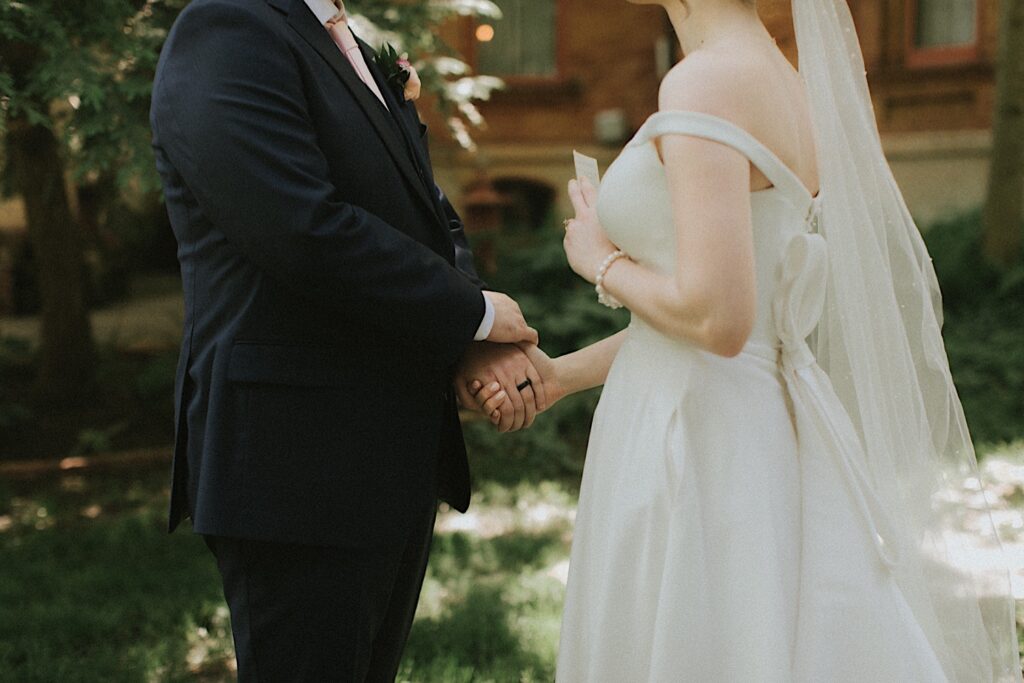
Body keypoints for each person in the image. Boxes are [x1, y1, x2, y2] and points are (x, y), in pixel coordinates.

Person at [469, 0, 1020, 680]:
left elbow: (718, 321)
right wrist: (561, 375)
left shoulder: (705, 82)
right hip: (748, 418)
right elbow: (743, 323)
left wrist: (599, 259)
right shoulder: (787, 84)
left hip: (697, 439)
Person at [149, 0, 547, 679]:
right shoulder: (226, 27)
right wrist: (474, 313)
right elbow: (298, 227)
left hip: (387, 450)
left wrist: (467, 337)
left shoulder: (336, 36)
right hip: (294, 460)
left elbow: (422, 208)